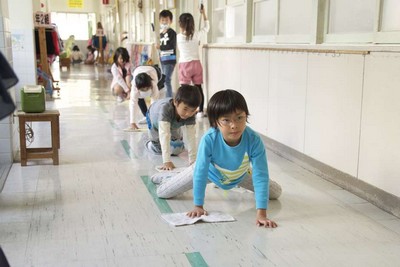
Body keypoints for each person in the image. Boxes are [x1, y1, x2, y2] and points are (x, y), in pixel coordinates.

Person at [151, 89, 281, 228]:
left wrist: (261, 214)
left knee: (275, 192)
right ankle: (170, 175)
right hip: (209, 172)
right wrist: (198, 205)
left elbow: (260, 174)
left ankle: (181, 173)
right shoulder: (209, 139)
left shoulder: (254, 140)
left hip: (239, 173)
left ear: (246, 116)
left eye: (239, 117)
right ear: (215, 122)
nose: (234, 125)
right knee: (163, 192)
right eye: (226, 120)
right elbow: (201, 172)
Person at [145, 85, 201, 171]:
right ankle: (150, 144)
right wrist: (166, 161)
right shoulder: (165, 109)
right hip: (154, 120)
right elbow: (164, 134)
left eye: (192, 110)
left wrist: (193, 160)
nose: (188, 114)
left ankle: (174, 142)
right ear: (175, 102)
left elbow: (191, 137)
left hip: (173, 123)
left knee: (177, 148)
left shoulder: (190, 114)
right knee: (158, 148)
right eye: (185, 109)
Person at [177, 7, 209, 117]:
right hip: (196, 64)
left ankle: (184, 110)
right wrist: (204, 14)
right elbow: (206, 28)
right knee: (198, 88)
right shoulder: (196, 35)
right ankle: (200, 111)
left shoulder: (178, 37)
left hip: (185, 65)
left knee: (184, 91)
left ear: (180, 24)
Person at [127, 65, 166, 130]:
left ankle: (150, 117)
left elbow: (154, 102)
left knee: (158, 102)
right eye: (142, 89)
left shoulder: (153, 83)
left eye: (147, 88)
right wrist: (132, 122)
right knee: (138, 97)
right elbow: (133, 103)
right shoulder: (134, 86)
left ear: (150, 85)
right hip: (139, 70)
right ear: (137, 87)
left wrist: (153, 121)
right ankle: (146, 115)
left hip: (156, 72)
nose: (145, 90)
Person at [158, 9, 177, 98]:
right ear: (159, 21)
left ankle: (169, 100)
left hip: (170, 60)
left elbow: (171, 46)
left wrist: (160, 47)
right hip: (163, 60)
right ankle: (167, 98)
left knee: (167, 80)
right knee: (164, 80)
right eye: (162, 20)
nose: (164, 22)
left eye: (166, 20)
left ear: (171, 21)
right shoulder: (160, 33)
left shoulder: (172, 33)